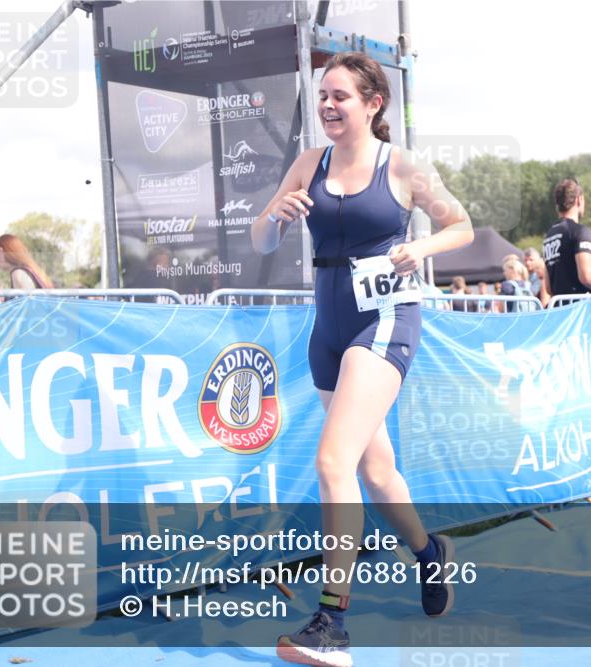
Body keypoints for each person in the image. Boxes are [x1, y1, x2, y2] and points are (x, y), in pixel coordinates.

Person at [250, 51, 472, 667]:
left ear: (373, 104)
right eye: (322, 95)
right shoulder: (307, 164)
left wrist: (419, 246)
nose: (327, 105)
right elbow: (261, 238)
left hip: (385, 319)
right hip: (328, 326)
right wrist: (276, 215)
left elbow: (463, 226)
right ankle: (430, 556)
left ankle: (333, 623)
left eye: (340, 96)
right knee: (374, 472)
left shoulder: (400, 165)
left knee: (332, 460)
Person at [541, 178, 591, 301]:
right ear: (579, 199)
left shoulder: (549, 235)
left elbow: (549, 287)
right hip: (579, 310)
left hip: (559, 309)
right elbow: (587, 277)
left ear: (557, 204)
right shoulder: (580, 231)